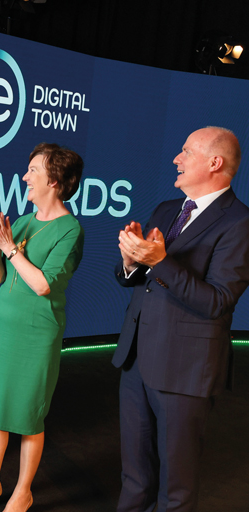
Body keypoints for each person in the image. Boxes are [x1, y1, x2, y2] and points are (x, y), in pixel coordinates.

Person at [113, 126, 249, 512]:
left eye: (186, 151)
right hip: (136, 360)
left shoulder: (240, 223)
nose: (177, 158)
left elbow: (218, 301)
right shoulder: (167, 209)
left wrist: (160, 261)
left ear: (214, 162)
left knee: (176, 489)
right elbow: (145, 278)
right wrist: (131, 262)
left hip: (185, 372)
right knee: (134, 477)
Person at [0, 143, 84, 512]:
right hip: (4, 329)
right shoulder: (24, 221)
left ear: (55, 180)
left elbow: (44, 284)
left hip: (37, 334)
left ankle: (22, 492)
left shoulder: (70, 229)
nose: (25, 177)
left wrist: (10, 247)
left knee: (29, 415)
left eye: (33, 170)